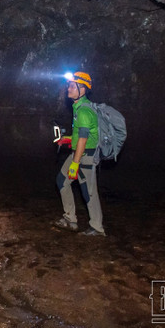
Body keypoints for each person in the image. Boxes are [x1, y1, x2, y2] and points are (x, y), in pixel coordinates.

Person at [54, 71, 106, 236]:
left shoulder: (84, 111)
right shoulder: (80, 107)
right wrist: (68, 139)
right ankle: (70, 219)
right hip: (79, 152)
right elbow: (80, 136)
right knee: (62, 180)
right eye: (68, 85)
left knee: (88, 191)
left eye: (71, 86)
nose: (68, 89)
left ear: (82, 89)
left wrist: (75, 164)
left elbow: (83, 139)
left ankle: (97, 228)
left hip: (85, 156)